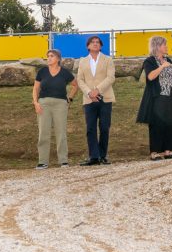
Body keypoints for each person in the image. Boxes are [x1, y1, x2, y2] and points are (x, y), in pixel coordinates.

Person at [136, 36, 172, 161]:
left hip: (170, 96)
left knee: (170, 122)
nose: (167, 47)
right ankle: (155, 152)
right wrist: (162, 66)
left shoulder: (168, 59)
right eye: (165, 45)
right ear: (157, 46)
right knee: (157, 123)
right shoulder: (149, 61)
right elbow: (150, 77)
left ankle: (168, 150)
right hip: (157, 97)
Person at [32, 49, 78, 170]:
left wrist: (70, 98)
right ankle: (42, 161)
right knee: (43, 132)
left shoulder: (64, 73)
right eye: (48, 56)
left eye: (52, 56)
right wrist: (35, 103)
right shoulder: (42, 72)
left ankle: (63, 161)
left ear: (58, 58)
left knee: (61, 132)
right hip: (43, 104)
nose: (49, 58)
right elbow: (36, 89)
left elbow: (75, 85)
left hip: (60, 105)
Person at [76, 36, 116, 166]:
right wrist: (89, 92)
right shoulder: (82, 61)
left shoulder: (108, 59)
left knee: (104, 127)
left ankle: (103, 155)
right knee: (91, 128)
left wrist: (97, 90)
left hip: (105, 97)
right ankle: (94, 156)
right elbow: (80, 80)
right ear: (88, 46)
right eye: (92, 42)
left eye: (97, 42)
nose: (95, 44)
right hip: (89, 99)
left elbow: (111, 78)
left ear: (101, 46)